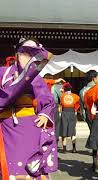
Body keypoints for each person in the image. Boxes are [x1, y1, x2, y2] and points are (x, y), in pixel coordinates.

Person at [0, 37, 57, 179]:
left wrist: (45, 114)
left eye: (32, 53)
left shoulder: (36, 78)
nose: (27, 57)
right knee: (9, 167)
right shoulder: (3, 72)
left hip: (29, 126)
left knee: (29, 169)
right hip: (6, 126)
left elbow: (47, 99)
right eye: (24, 52)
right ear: (17, 53)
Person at [79, 70, 98, 171]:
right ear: (93, 78)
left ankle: (95, 162)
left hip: (89, 115)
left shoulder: (83, 90)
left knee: (94, 136)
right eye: (97, 77)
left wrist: (85, 117)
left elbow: (82, 107)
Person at [60, 82, 80, 153]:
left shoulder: (62, 96)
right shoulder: (76, 96)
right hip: (72, 113)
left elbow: (60, 105)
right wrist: (75, 110)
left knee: (64, 130)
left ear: (64, 89)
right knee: (73, 130)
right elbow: (77, 105)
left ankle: (64, 149)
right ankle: (74, 148)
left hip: (64, 112)